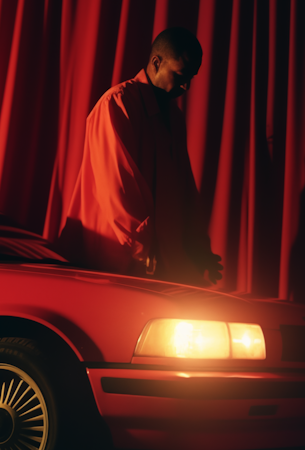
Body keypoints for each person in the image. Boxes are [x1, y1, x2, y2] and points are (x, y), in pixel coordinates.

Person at [59, 27, 222, 286]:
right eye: (180, 75)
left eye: (191, 77)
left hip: (158, 262)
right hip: (114, 261)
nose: (186, 86)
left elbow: (183, 189)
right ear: (156, 63)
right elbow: (116, 185)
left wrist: (196, 248)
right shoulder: (117, 103)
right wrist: (142, 249)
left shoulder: (175, 117)